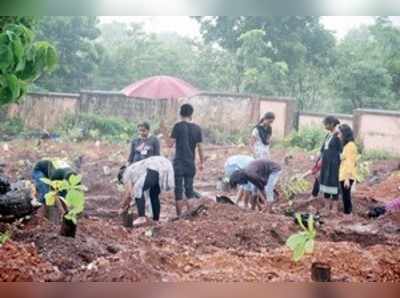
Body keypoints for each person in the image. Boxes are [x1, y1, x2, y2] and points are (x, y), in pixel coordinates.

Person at [169, 104, 204, 216]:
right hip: (190, 163)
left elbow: (169, 144)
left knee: (178, 190)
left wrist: (164, 130)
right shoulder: (197, 128)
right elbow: (200, 148)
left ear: (180, 113)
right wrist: (202, 162)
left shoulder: (177, 126)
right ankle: (190, 215)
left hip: (178, 163)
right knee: (189, 189)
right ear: (191, 114)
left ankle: (179, 216)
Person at [121, 156, 174, 225]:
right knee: (153, 194)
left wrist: (123, 207)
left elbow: (129, 193)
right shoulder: (135, 168)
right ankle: (156, 219)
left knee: (137, 189)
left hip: (155, 166)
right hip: (165, 164)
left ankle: (141, 217)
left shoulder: (126, 173)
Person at [319, 116, 342, 213]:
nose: (325, 126)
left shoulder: (338, 135)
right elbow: (323, 149)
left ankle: (335, 207)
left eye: (326, 124)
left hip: (334, 163)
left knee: (333, 183)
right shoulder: (328, 135)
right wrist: (320, 159)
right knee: (326, 182)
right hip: (326, 163)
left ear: (332, 124)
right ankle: (326, 206)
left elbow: (341, 150)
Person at [338, 124, 358, 220]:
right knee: (345, 196)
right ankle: (347, 215)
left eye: (340, 133)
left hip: (347, 176)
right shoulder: (348, 145)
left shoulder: (350, 146)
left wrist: (346, 178)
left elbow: (350, 163)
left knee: (346, 196)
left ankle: (348, 216)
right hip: (345, 174)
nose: (339, 135)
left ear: (344, 134)